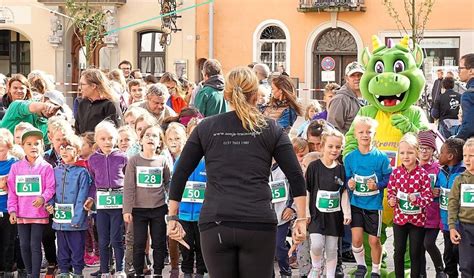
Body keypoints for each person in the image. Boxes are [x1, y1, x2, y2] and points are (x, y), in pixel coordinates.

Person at [167, 67, 307, 277]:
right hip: (257, 221)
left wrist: (172, 217)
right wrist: (302, 219)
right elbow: (296, 175)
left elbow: (180, 173)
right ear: (256, 95)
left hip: (216, 222)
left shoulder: (206, 127)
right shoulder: (271, 128)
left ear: (226, 94)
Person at [344, 116, 392, 278]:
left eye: (369, 132)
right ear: (355, 135)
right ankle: (361, 266)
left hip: (374, 206)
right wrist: (349, 183)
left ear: (374, 134)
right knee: (356, 240)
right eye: (361, 132)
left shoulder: (381, 158)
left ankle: (376, 270)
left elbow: (388, 178)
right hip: (356, 204)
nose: (365, 135)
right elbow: (345, 179)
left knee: (373, 241)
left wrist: (377, 185)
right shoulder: (350, 158)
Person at [123, 125, 171, 278]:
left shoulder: (163, 160)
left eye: (155, 136)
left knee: (158, 243)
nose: (151, 138)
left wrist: (172, 204)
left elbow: (168, 183)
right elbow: (129, 186)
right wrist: (127, 209)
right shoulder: (134, 161)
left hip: (158, 208)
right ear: (141, 140)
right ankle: (138, 272)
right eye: (147, 135)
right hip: (139, 210)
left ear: (159, 142)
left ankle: (157, 272)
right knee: (138, 243)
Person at [7, 127, 56, 278]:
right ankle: (29, 273)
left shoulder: (46, 167)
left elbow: (51, 187)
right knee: (23, 245)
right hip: (21, 213)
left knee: (35, 245)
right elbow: (12, 191)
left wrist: (43, 197)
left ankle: (35, 275)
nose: (33, 146)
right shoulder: (16, 168)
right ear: (22, 146)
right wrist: (12, 210)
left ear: (42, 146)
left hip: (38, 213)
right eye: (29, 144)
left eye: (36, 143)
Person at [387, 133, 433, 278]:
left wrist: (417, 200)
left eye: (410, 152)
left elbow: (428, 197)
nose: (406, 156)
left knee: (415, 252)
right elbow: (391, 191)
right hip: (400, 219)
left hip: (417, 221)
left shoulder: (423, 175)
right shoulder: (395, 173)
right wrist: (391, 200)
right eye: (402, 153)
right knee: (399, 251)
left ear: (417, 152)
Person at [85, 121, 128, 277]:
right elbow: (93, 182)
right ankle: (104, 270)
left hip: (118, 204)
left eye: (110, 138)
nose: (107, 142)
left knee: (116, 238)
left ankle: (120, 269)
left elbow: (128, 181)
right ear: (97, 140)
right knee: (103, 240)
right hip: (101, 205)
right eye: (103, 139)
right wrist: (91, 198)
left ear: (115, 139)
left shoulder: (122, 157)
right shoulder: (92, 159)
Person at [306, 129, 350, 278]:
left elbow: (343, 192)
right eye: (330, 146)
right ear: (322, 146)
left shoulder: (341, 169)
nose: (334, 150)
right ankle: (316, 267)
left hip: (334, 216)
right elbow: (307, 191)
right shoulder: (314, 167)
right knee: (317, 244)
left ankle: (330, 274)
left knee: (332, 249)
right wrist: (305, 212)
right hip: (316, 215)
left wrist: (347, 212)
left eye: (338, 147)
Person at [46, 134, 91, 278]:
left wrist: (77, 218)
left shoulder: (82, 172)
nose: (64, 151)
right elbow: (51, 191)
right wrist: (50, 204)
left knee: (77, 247)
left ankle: (77, 272)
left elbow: (82, 196)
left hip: (76, 221)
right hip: (60, 220)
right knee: (62, 247)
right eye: (61, 148)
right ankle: (64, 271)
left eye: (68, 148)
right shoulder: (56, 170)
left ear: (77, 151)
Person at [417, 130, 445, 277]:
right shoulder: (413, 168)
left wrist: (438, 190)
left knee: (428, 243)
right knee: (418, 247)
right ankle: (421, 273)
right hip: (417, 215)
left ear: (433, 150)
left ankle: (440, 269)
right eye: (421, 147)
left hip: (433, 215)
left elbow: (443, 186)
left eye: (427, 148)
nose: (424, 151)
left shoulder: (437, 169)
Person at [436, 138, 465, 278]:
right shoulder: (441, 172)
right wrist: (435, 192)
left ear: (450, 156)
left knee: (463, 259)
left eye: (441, 152)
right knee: (448, 258)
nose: (438, 154)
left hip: (461, 225)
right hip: (446, 224)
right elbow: (437, 192)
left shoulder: (463, 174)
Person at [447, 138, 474, 277]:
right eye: (465, 156)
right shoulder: (460, 180)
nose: (467, 159)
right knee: (466, 266)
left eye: (471, 156)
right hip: (465, 228)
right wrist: (452, 227)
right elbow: (452, 203)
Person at [0, 90, 64, 147]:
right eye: (51, 105)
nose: (52, 110)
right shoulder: (17, 106)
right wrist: (44, 106)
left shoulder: (47, 124)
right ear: (43, 99)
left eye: (56, 108)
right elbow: (28, 107)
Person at [75, 69, 123, 134]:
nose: (80, 88)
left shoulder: (110, 104)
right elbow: (77, 129)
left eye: (82, 84)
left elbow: (116, 130)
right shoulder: (83, 104)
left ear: (93, 86)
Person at [327, 62, 366, 134]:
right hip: (348, 143)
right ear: (347, 78)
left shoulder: (370, 97)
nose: (357, 78)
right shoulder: (340, 100)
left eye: (359, 75)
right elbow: (333, 128)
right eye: (352, 75)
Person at [0, 128, 17, 277]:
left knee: (9, 241)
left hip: (8, 209)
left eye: (1, 150)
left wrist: (7, 185)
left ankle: (8, 270)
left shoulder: (15, 164)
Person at [455, 53, 474, 140]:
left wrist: (453, 143)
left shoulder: (469, 95)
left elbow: (469, 127)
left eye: (460, 68)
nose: (458, 72)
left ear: (471, 71)